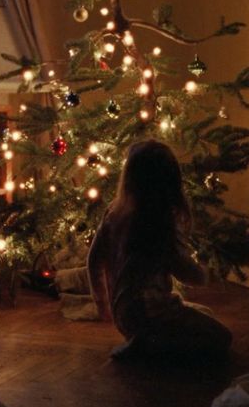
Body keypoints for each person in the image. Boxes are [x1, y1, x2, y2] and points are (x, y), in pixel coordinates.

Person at [88, 140, 233, 360]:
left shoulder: (114, 213)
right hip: (150, 313)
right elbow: (186, 272)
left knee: (205, 313)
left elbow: (94, 261)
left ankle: (144, 339)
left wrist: (102, 304)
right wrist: (209, 273)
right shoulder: (157, 223)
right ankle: (147, 346)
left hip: (124, 315)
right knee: (221, 338)